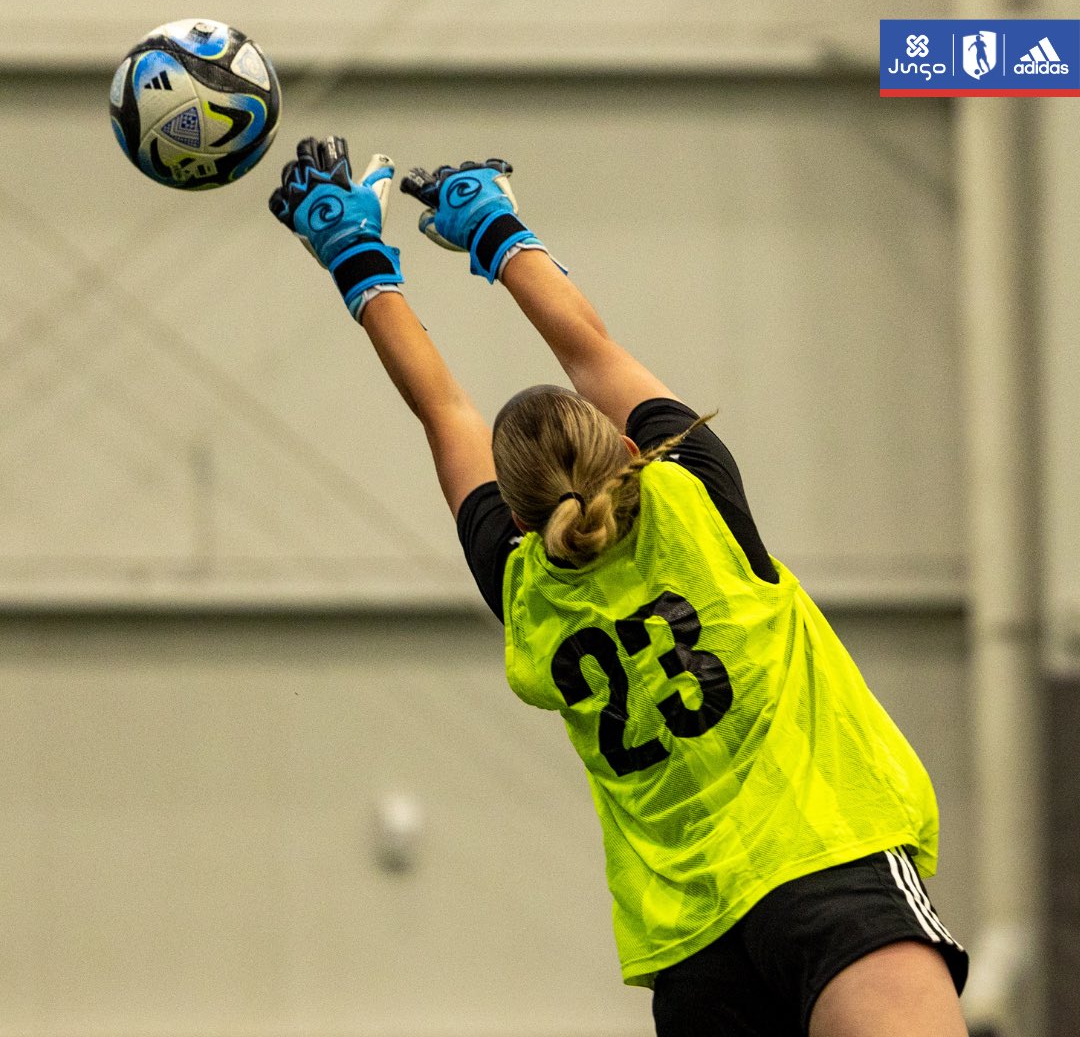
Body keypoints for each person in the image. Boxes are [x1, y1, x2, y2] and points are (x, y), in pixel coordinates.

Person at [269, 137, 970, 1037]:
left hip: (693, 953)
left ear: (518, 522)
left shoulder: (524, 590)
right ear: (632, 453)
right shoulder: (693, 503)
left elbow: (444, 412)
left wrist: (353, 255)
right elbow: (588, 349)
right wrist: (494, 226)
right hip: (827, 867)